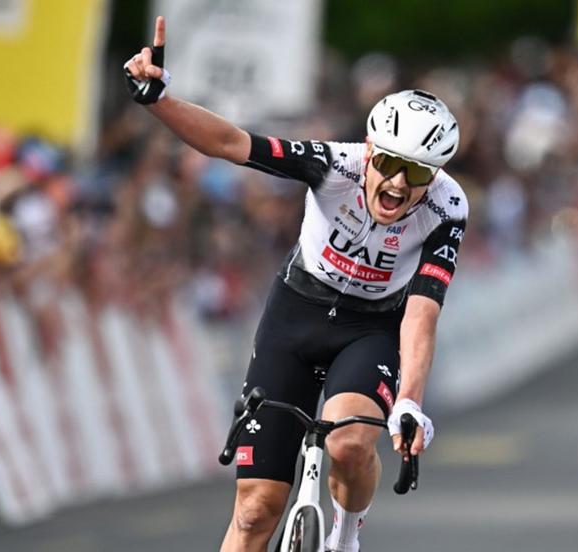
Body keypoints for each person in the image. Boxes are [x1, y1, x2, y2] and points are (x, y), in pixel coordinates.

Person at [124, 17, 468, 552]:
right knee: (254, 511)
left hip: (371, 328)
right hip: (296, 314)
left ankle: (343, 539)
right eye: (389, 164)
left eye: (419, 173)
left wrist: (409, 402)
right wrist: (159, 101)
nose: (399, 183)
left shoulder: (448, 207)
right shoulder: (335, 166)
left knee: (349, 443)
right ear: (369, 150)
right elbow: (231, 143)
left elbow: (423, 310)